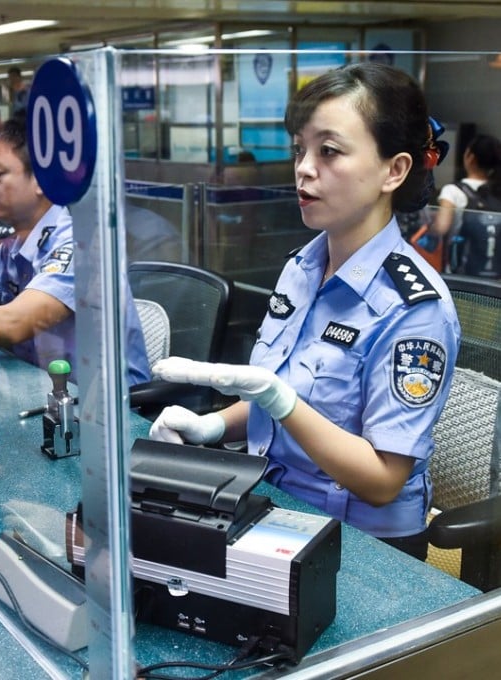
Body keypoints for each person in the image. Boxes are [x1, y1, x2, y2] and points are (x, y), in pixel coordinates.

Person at [149, 62, 460, 559]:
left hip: (364, 546)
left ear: (394, 170)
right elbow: (277, 398)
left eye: (329, 151)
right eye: (300, 149)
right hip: (273, 505)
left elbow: (383, 480)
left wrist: (281, 399)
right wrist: (214, 426)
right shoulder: (302, 267)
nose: (304, 168)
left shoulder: (414, 309)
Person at [0, 118, 151, 387]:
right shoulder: (11, 249)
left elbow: (15, 322)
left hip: (106, 402)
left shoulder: (77, 246)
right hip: (46, 389)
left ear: (42, 180)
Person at [430, 133, 501, 277]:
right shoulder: (497, 191)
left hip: (462, 275)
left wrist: (429, 225)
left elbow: (441, 227)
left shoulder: (453, 191)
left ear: (470, 158)